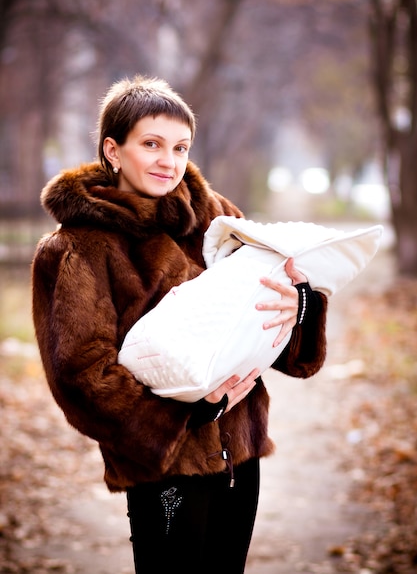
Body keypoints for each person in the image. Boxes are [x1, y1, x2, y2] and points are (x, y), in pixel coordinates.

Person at [32, 75, 328, 574]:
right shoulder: (76, 248)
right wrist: (192, 414)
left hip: (241, 457)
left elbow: (281, 342)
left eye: (181, 146)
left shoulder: (220, 221)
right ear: (113, 150)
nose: (169, 161)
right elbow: (81, 376)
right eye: (151, 144)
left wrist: (299, 306)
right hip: (164, 468)